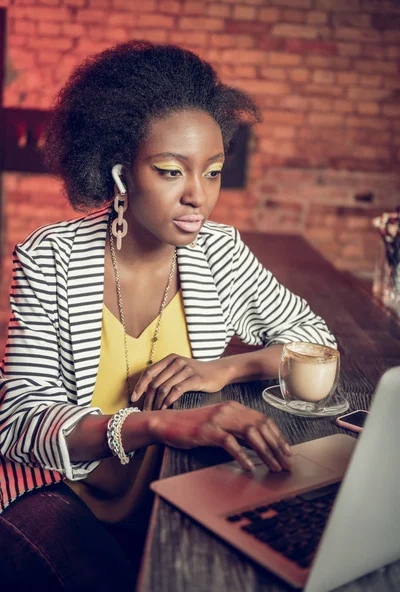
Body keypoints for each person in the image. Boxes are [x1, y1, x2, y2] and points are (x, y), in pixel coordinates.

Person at [0, 41, 336, 590]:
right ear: (118, 171)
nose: (197, 197)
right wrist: (159, 424)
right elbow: (18, 424)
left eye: (213, 172)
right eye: (170, 170)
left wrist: (223, 370)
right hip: (60, 495)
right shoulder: (50, 259)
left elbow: (316, 341)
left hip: (166, 495)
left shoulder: (218, 252)